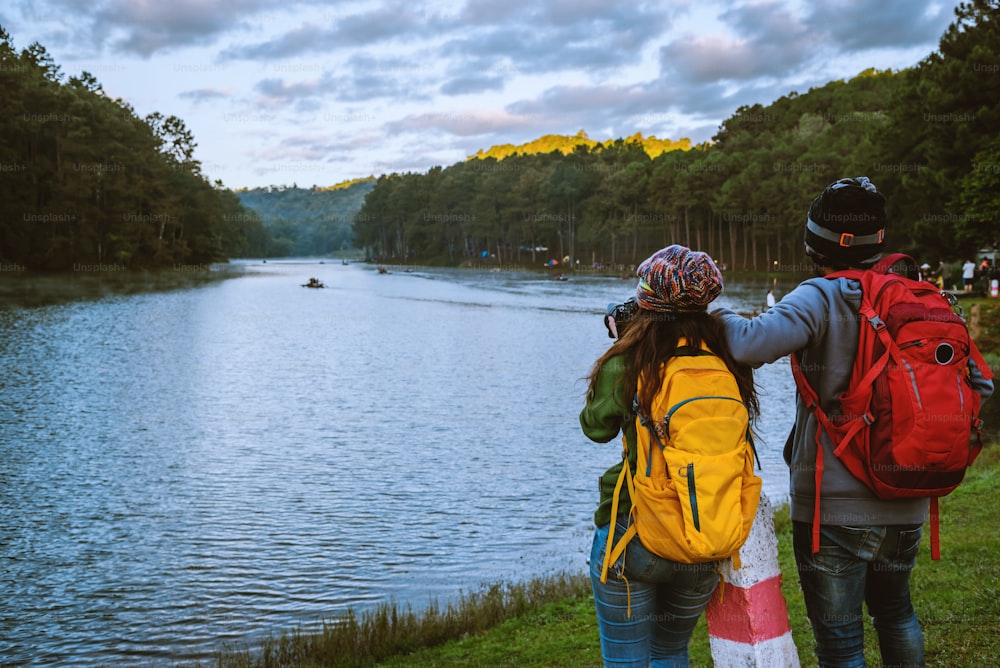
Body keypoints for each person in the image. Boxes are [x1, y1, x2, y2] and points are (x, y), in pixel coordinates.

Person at [712, 176, 994, 668]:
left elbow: (747, 344)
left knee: (842, 643)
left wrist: (711, 311)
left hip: (835, 507)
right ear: (879, 239)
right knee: (896, 613)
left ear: (814, 243)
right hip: (908, 495)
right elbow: (980, 386)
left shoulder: (820, 296)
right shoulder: (921, 296)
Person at [581, 245, 759, 667]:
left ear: (646, 300)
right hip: (706, 532)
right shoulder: (729, 358)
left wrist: (621, 341)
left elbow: (595, 427)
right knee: (671, 652)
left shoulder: (631, 360)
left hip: (635, 533)